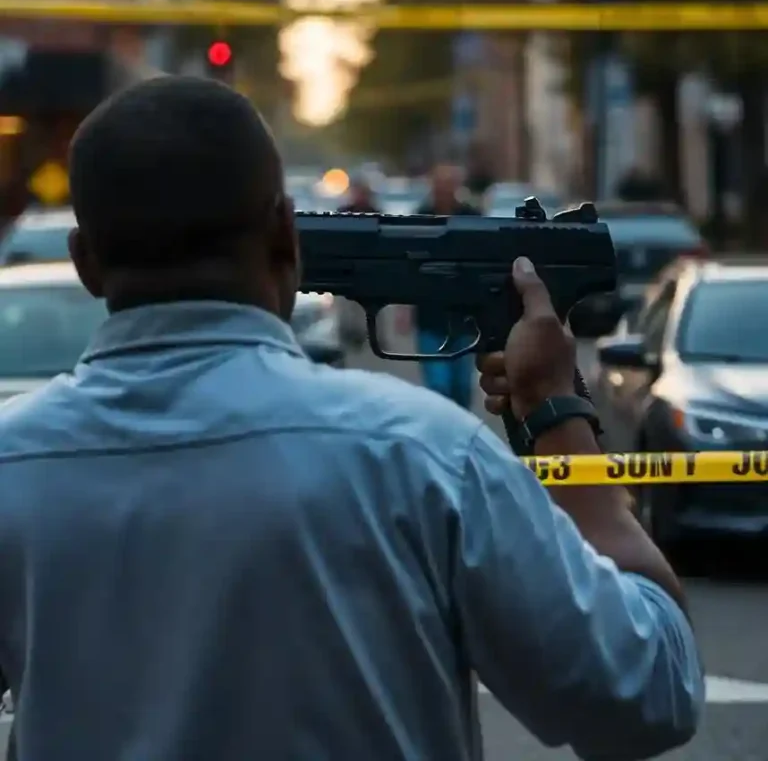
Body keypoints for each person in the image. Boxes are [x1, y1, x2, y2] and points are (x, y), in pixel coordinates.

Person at [0, 76, 702, 761]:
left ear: (85, 263)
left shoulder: (12, 463)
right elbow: (648, 693)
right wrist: (556, 407)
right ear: (286, 231)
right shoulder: (427, 456)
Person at [406, 163, 482, 409]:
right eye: (439, 185)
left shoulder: (472, 218)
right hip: (430, 318)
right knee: (438, 387)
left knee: (462, 387)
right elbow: (409, 267)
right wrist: (402, 306)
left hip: (464, 318)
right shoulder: (420, 217)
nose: (444, 190)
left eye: (449, 184)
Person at [337, 176, 380, 347]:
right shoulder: (343, 212)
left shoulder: (376, 213)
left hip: (369, 271)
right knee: (348, 309)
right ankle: (350, 333)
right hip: (348, 269)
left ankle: (372, 335)